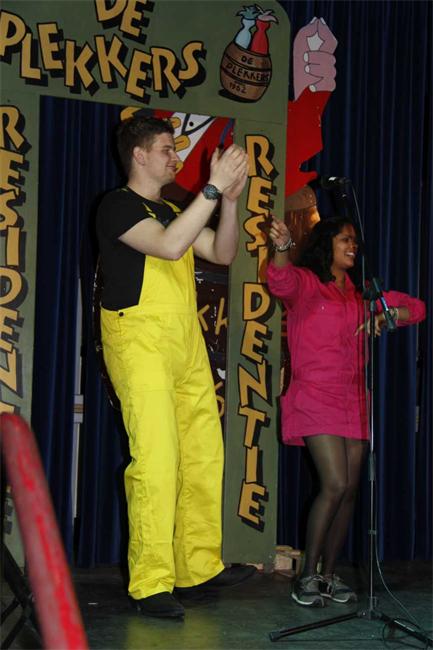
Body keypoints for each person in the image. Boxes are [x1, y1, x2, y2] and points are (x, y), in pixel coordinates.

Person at [96, 115, 253, 619]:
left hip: (185, 341)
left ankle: (197, 568)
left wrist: (230, 201)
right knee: (157, 460)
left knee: (204, 454)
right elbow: (167, 246)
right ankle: (150, 582)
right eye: (166, 149)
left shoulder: (170, 210)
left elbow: (222, 252)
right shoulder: (117, 205)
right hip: (139, 340)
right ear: (139, 155)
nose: (176, 158)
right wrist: (212, 187)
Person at [266, 216, 425, 607]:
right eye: (345, 240)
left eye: (355, 241)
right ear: (327, 244)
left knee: (351, 489)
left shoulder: (360, 295)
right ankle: (306, 576)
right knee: (335, 483)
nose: (353, 246)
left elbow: (417, 309)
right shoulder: (308, 283)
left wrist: (383, 316)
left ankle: (328, 574)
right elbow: (280, 281)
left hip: (353, 398)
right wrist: (282, 247)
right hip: (314, 395)